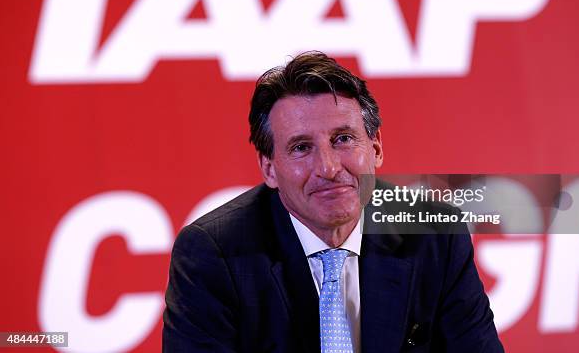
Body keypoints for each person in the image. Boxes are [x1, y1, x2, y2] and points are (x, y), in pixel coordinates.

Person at [162, 51, 504, 352]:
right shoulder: (214, 253)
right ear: (269, 168)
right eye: (301, 147)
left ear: (376, 147)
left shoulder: (434, 235)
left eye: (343, 139)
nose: (327, 168)